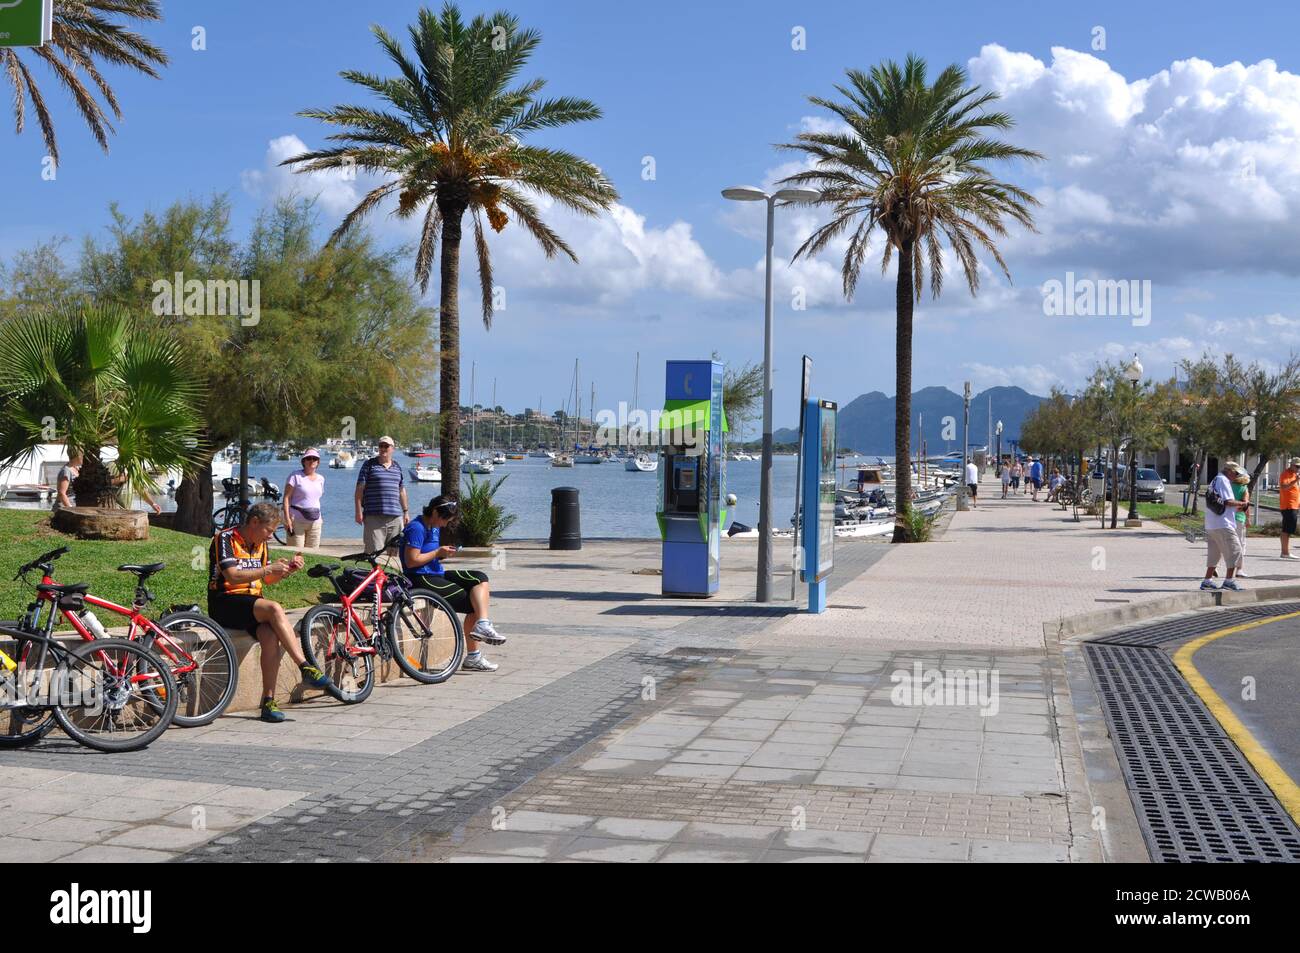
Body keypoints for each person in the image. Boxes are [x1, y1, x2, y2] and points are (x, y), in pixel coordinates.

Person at [208, 502, 331, 722]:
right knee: (274, 608)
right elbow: (232, 576)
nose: (271, 536)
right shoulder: (225, 539)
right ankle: (305, 666)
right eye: (269, 530)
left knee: (270, 634)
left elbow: (266, 579)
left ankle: (268, 702)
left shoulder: (260, 544)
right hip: (225, 602)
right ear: (254, 522)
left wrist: (286, 571)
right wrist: (267, 569)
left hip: (251, 604)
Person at [401, 496, 506, 672]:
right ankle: (474, 656)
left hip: (435, 572)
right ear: (434, 512)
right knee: (471, 603)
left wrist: (441, 554)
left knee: (479, 577)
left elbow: (429, 554)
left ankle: (482, 623)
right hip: (419, 578)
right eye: (444, 520)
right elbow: (411, 561)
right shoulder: (416, 528)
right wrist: (436, 552)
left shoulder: (432, 526)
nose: (444, 525)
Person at [355, 436, 409, 553]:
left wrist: (405, 511)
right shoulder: (369, 465)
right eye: (381, 446)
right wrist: (358, 512)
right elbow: (359, 489)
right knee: (373, 554)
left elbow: (401, 490)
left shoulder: (397, 467)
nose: (383, 448)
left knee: (394, 556)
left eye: (386, 446)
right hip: (374, 517)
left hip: (395, 518)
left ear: (392, 448)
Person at [1202, 462, 1249, 591]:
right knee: (1236, 550)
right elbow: (1227, 501)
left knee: (1215, 553)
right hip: (1223, 523)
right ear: (1230, 471)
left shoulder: (1215, 479)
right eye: (1236, 473)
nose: (1237, 476)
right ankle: (1229, 581)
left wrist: (1236, 508)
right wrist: (1243, 503)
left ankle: (1207, 580)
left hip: (1212, 523)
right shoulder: (1223, 480)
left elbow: (1221, 502)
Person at [284, 448, 326, 548]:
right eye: (309, 458)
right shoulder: (295, 476)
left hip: (315, 522)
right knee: (296, 553)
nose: (312, 461)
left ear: (318, 462)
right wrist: (287, 519)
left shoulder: (321, 479)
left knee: (314, 554)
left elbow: (316, 499)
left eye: (314, 459)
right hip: (296, 521)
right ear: (304, 461)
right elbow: (286, 498)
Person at [1229, 463, 1250, 577]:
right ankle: (1239, 569)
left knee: (1225, 544)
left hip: (1226, 518)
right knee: (1241, 544)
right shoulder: (1243, 488)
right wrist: (1248, 519)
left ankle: (1216, 566)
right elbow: (1246, 505)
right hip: (1239, 518)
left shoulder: (1227, 486)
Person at [1279, 457, 1300, 559]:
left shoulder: (1295, 474)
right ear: (1291, 465)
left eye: (1299, 467)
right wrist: (1295, 480)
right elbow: (1284, 487)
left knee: (1289, 529)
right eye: (1297, 466)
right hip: (1288, 505)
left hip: (1294, 505)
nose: (1298, 468)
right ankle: (1285, 552)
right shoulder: (1286, 474)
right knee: (1286, 529)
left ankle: (1285, 552)